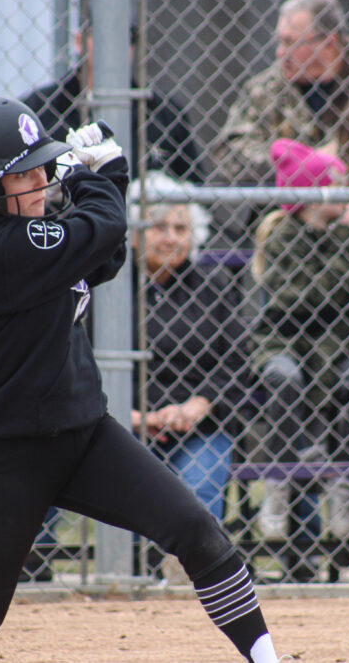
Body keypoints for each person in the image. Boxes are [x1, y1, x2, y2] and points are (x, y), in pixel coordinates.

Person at [0, 97, 285, 663]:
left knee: (198, 531)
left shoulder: (21, 235)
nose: (41, 181)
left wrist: (107, 180)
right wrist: (86, 176)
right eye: (24, 175)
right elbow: (100, 228)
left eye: (43, 168)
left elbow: (103, 256)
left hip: (85, 436)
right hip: (5, 455)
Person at [212, 0, 349, 244]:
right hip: (286, 230)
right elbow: (228, 152)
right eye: (279, 41)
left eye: (290, 42)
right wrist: (302, 165)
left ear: (329, 43)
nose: (280, 52)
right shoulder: (264, 91)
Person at [250, 139, 349, 582]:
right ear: (315, 197)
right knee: (285, 377)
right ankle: (278, 483)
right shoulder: (283, 235)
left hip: (330, 349)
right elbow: (308, 296)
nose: (347, 196)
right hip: (282, 341)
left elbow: (334, 294)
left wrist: (343, 240)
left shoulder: (338, 232)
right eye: (338, 186)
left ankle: (341, 484)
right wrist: (345, 242)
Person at [127, 172, 247, 524]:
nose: (170, 238)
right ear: (133, 232)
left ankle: (193, 560)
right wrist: (134, 417)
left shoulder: (213, 287)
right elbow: (83, 361)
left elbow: (236, 359)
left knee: (198, 495)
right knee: (130, 498)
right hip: (122, 424)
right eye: (158, 226)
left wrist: (198, 405)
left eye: (181, 229)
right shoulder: (109, 288)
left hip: (200, 424)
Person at [20, 24, 202, 182]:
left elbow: (196, 189)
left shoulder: (164, 112)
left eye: (127, 38)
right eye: (102, 36)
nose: (115, 45)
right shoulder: (39, 108)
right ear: (79, 41)